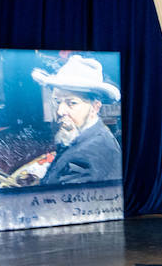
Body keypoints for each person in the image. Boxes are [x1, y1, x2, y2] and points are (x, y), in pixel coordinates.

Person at [32, 54, 123, 185]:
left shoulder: (88, 156)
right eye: (57, 101)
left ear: (95, 107)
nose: (60, 111)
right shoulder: (87, 134)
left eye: (72, 103)